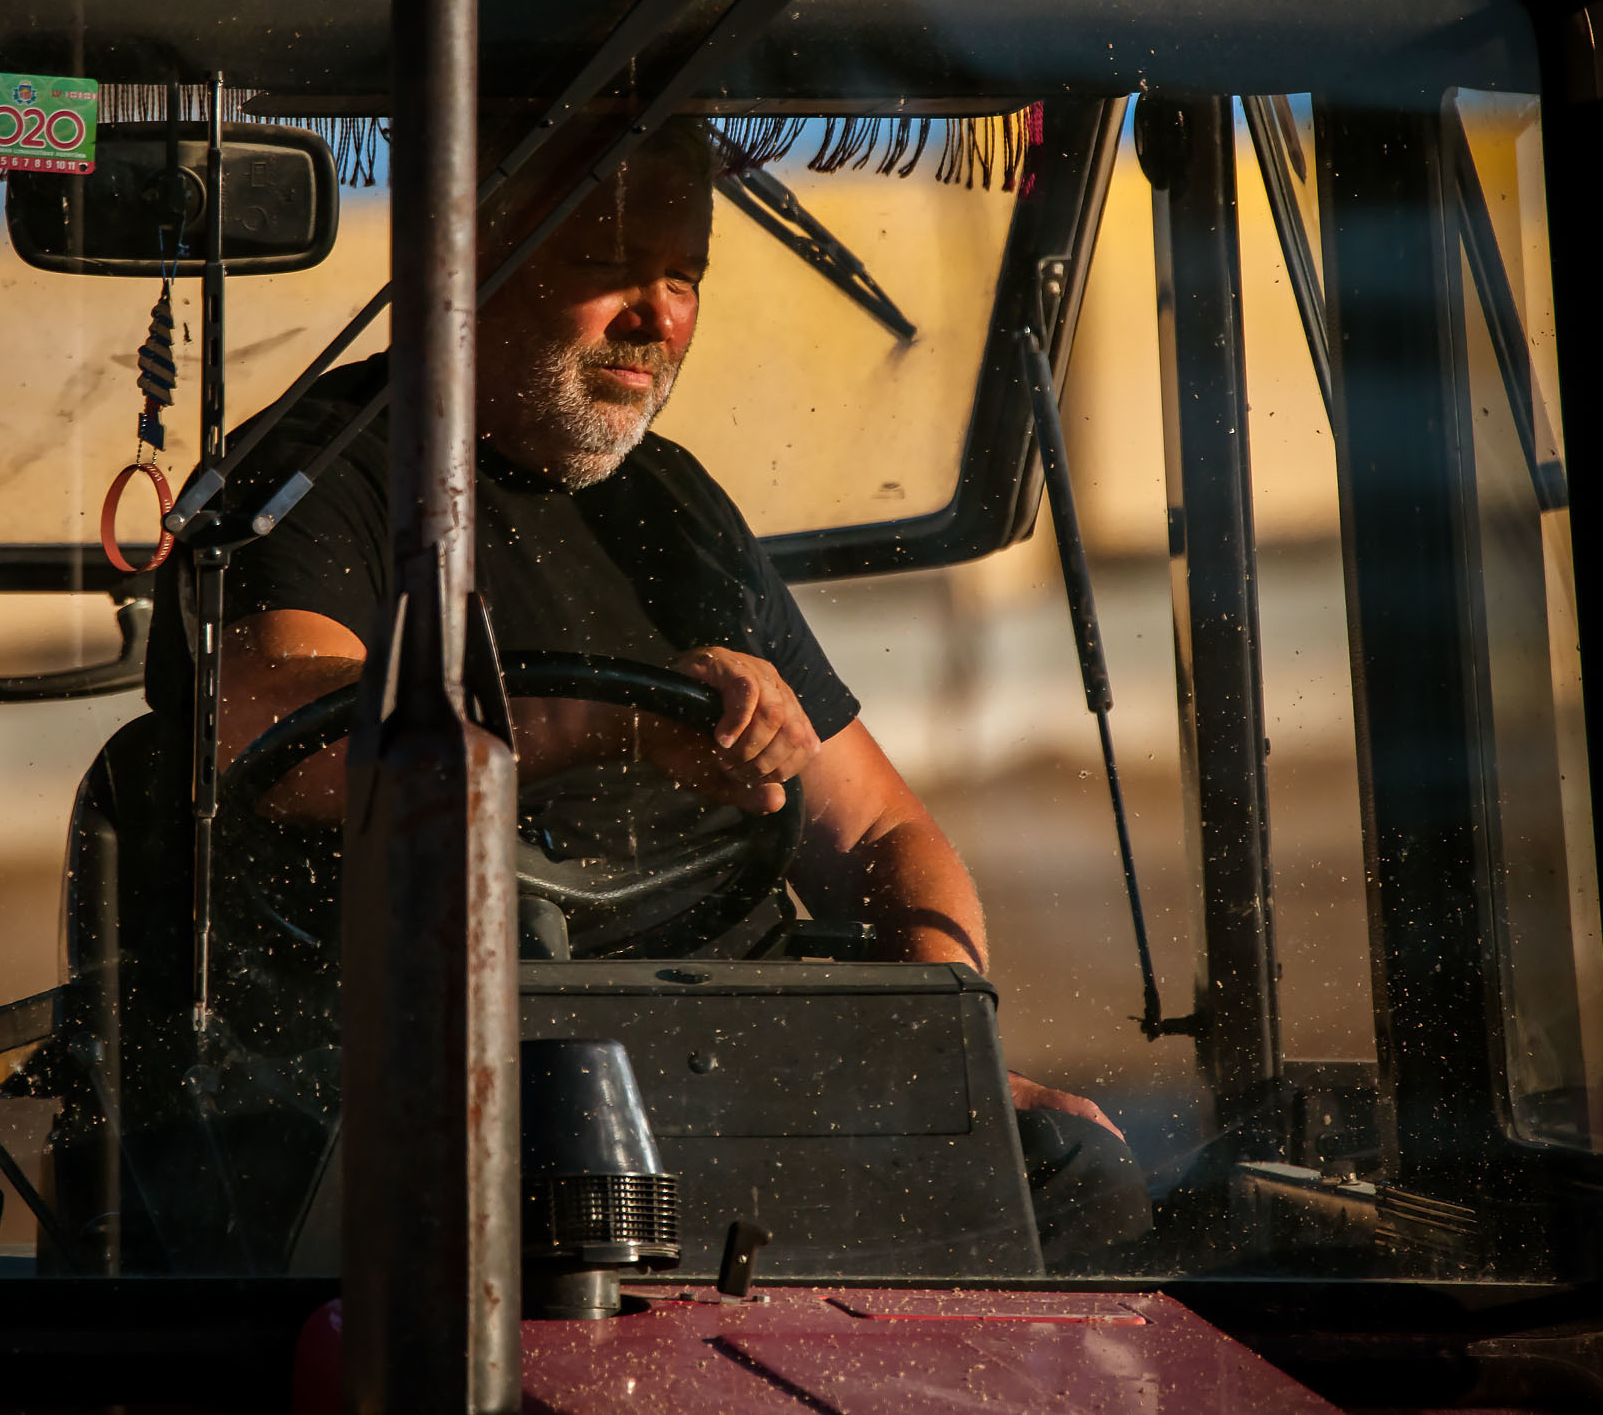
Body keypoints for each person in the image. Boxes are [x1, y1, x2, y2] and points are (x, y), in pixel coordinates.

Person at [187, 116, 1149, 1262]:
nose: (659, 316)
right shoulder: (325, 469)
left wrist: (935, 1049)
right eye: (607, 267)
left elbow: (884, 827)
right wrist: (618, 727)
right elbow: (286, 736)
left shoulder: (673, 504)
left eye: (682, 274)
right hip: (442, 1080)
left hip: (743, 1065)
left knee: (1073, 1175)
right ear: (466, 258)